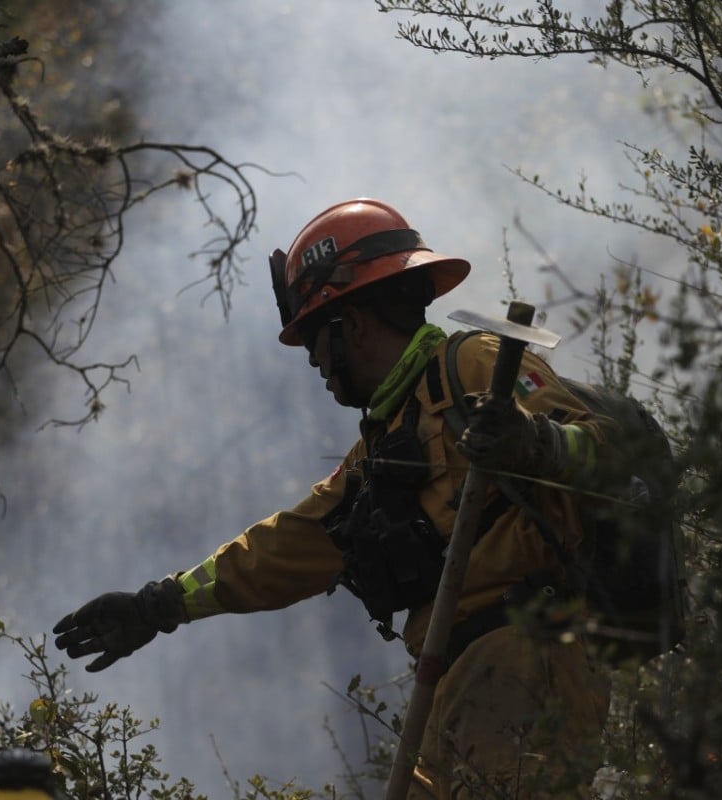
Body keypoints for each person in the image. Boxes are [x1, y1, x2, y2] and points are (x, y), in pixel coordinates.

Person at [53, 198, 629, 798]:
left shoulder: (475, 365)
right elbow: (286, 545)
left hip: (524, 662)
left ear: (348, 324)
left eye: (314, 346)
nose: (317, 366)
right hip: (457, 677)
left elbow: (609, 453)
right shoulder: (382, 448)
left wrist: (533, 439)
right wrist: (157, 605)